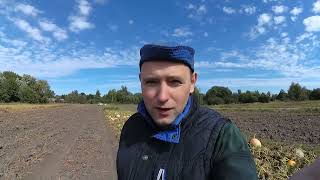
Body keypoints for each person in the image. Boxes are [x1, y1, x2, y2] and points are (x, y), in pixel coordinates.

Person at [116, 43, 258, 180]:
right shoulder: (131, 127)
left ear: (192, 83)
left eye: (175, 82)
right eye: (151, 82)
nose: (162, 97)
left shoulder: (222, 137)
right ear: (141, 82)